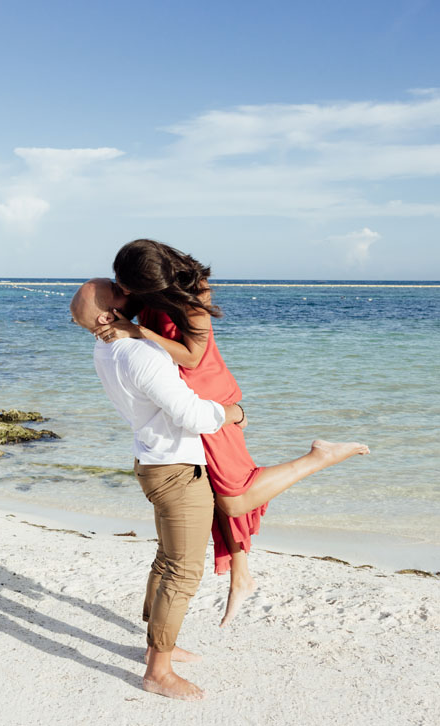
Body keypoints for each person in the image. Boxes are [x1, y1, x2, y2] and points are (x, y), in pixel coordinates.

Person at [93, 239, 370, 626]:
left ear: (152, 283)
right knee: (215, 491)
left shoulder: (193, 300)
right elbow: (106, 308)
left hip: (210, 401)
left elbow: (193, 357)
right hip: (185, 404)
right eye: (119, 282)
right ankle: (241, 576)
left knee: (234, 498)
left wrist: (139, 333)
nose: (122, 291)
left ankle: (319, 456)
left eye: (128, 286)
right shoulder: (148, 295)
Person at [70, 278, 246, 702]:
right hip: (178, 470)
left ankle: (158, 645)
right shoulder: (140, 353)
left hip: (152, 462)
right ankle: (157, 671)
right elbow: (194, 416)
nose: (126, 289)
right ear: (106, 315)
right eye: (117, 290)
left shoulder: (104, 347)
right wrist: (233, 412)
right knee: (183, 572)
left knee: (167, 559)